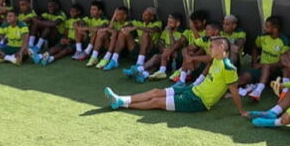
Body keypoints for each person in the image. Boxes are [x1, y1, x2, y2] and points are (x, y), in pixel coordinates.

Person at [104, 36, 248, 117]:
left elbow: (234, 90)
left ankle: (121, 103)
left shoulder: (228, 67)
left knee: (156, 101)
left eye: (211, 46)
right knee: (156, 92)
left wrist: (241, 111)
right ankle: (121, 99)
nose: (209, 48)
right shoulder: (216, 59)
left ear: (221, 47)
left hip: (198, 101)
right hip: (192, 90)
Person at [239, 15, 290, 101]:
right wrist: (254, 62)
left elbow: (283, 63)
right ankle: (227, 89)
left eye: (267, 27)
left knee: (266, 67)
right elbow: (255, 47)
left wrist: (264, 65)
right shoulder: (262, 37)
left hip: (276, 70)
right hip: (261, 69)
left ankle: (258, 92)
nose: (264, 28)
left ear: (275, 28)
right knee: (244, 77)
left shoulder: (284, 41)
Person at [137, 12, 184, 81]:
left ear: (177, 24)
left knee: (158, 57)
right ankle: (144, 74)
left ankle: (139, 69)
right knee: (157, 60)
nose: (168, 24)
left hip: (174, 57)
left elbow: (175, 45)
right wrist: (163, 49)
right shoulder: (166, 31)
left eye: (171, 22)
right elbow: (160, 43)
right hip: (164, 57)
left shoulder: (181, 33)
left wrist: (170, 33)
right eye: (168, 22)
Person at [121, 7, 163, 81]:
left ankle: (139, 64)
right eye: (143, 13)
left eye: (146, 14)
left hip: (151, 50)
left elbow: (153, 30)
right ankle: (113, 58)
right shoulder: (138, 21)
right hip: (140, 48)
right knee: (124, 34)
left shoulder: (158, 23)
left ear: (152, 17)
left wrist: (137, 27)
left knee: (146, 34)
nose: (143, 15)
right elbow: (127, 25)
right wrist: (125, 28)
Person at [173, 10, 208, 84]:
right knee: (186, 51)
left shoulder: (207, 32)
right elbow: (181, 43)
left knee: (193, 52)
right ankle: (183, 78)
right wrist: (188, 57)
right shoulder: (188, 31)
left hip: (201, 59)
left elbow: (201, 44)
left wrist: (193, 28)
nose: (194, 25)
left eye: (196, 23)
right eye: (193, 23)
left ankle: (184, 75)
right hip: (190, 58)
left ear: (204, 22)